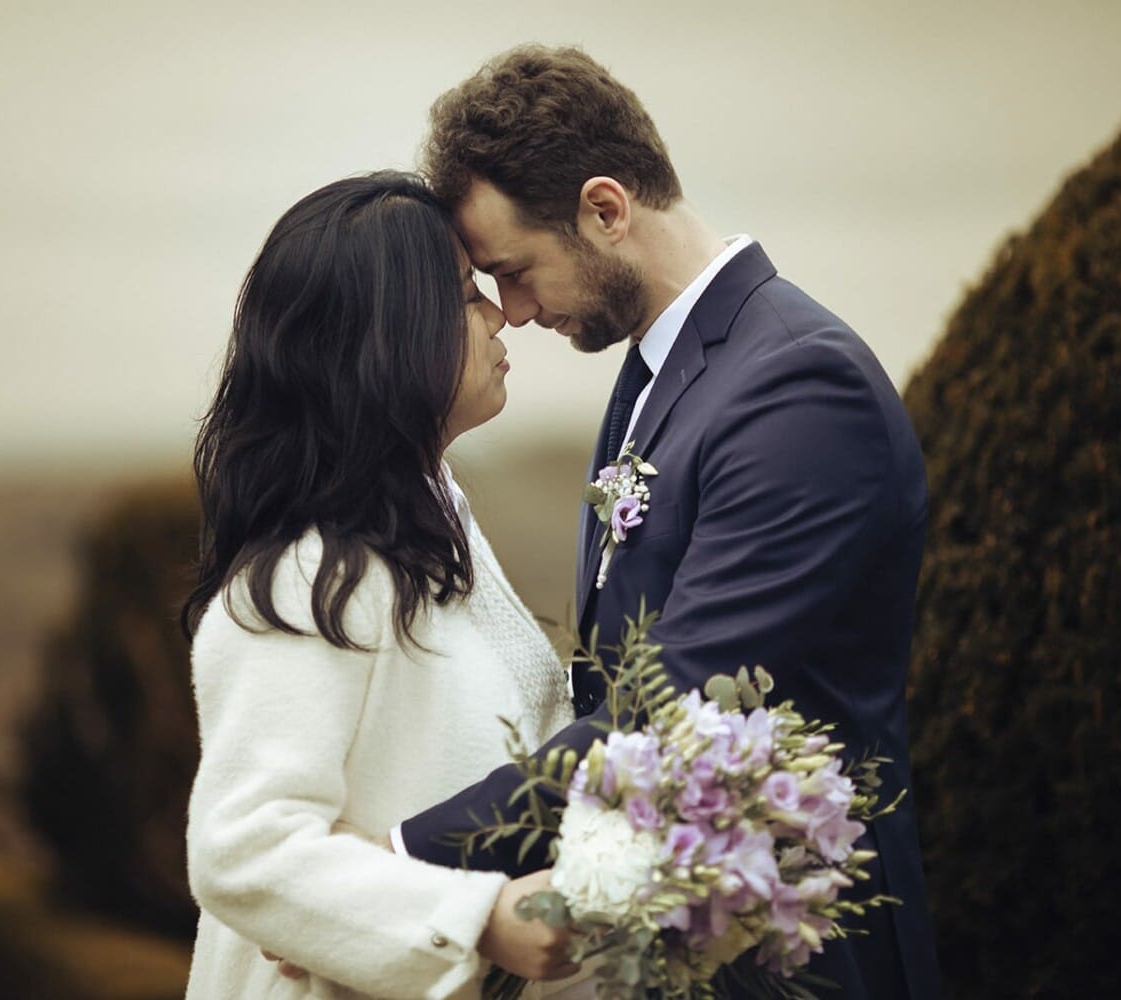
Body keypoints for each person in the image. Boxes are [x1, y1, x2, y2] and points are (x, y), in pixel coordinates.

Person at [381, 46, 942, 1000]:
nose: (509, 312)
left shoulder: (799, 387)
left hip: (794, 956)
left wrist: (396, 862)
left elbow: (674, 710)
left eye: (513, 271)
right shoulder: (659, 373)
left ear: (605, 208)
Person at [180, 172, 582, 998]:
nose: (502, 313)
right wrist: (477, 921)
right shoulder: (309, 574)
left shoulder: (433, 526)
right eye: (467, 294)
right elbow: (244, 850)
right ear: (389, 335)